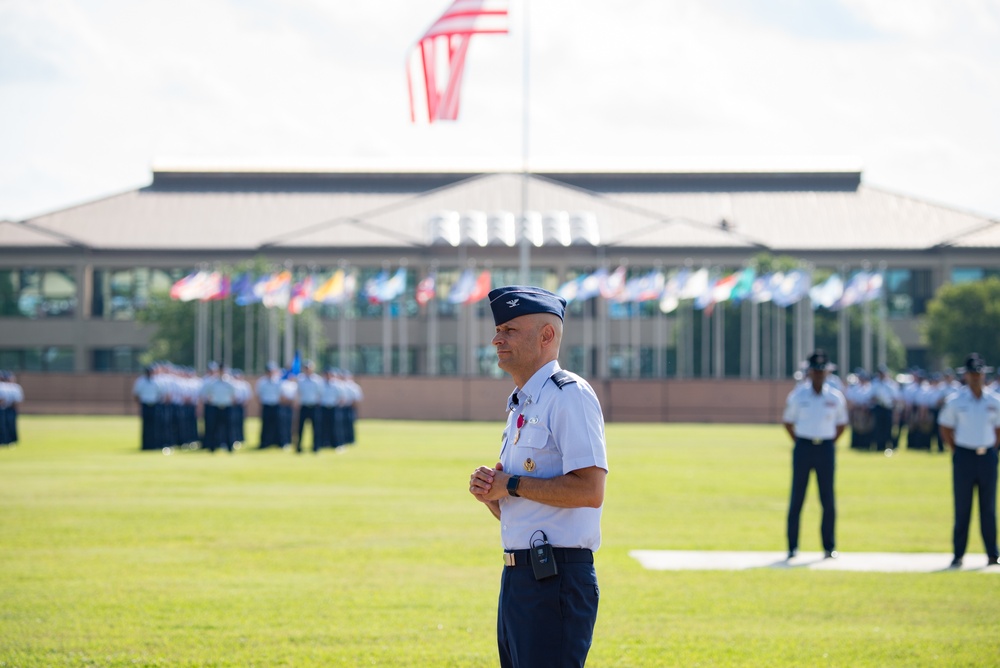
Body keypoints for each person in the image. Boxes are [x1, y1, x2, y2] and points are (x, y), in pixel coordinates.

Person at [469, 285, 608, 668]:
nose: (497, 338)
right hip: (519, 577)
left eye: (510, 330)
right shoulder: (520, 405)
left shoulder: (569, 396)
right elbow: (527, 509)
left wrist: (510, 484)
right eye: (498, 330)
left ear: (546, 336)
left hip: (556, 579)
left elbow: (590, 489)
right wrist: (494, 497)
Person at [783, 348, 848, 560]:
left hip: (826, 448)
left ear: (827, 372)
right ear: (809, 372)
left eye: (822, 371)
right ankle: (792, 546)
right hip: (803, 447)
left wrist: (827, 442)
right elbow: (788, 422)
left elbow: (841, 424)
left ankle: (829, 546)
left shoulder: (835, 397)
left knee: (827, 499)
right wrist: (802, 441)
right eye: (815, 370)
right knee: (797, 498)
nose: (819, 374)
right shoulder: (798, 395)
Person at [937, 353, 1000, 568]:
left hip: (987, 457)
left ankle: (992, 553)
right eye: (972, 373)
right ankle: (958, 554)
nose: (976, 377)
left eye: (979, 373)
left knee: (988, 509)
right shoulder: (956, 400)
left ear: (984, 374)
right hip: (964, 456)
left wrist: (992, 447)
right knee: (962, 508)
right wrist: (956, 450)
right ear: (966, 375)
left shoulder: (994, 400)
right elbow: (945, 427)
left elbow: (999, 428)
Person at [295, 360, 323, 453]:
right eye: (306, 368)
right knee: (300, 428)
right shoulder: (300, 379)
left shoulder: (317, 380)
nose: (307, 370)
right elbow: (298, 393)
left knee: (315, 428)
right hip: (304, 406)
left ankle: (315, 447)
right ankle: (298, 447)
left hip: (314, 406)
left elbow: (320, 394)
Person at [132, 365, 163, 450]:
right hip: (145, 404)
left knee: (154, 426)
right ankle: (145, 445)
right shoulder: (140, 381)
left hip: (154, 405)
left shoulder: (156, 381)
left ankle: (154, 445)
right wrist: (139, 405)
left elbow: (160, 393)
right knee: (146, 426)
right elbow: (136, 394)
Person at [256, 362, 283, 449]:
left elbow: (281, 394)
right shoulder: (262, 382)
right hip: (266, 405)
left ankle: (278, 443)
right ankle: (264, 443)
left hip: (276, 405)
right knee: (265, 425)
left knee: (278, 425)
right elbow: (258, 395)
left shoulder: (278, 381)